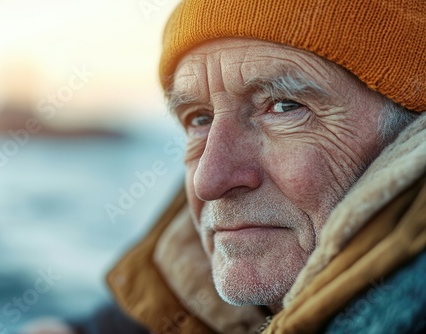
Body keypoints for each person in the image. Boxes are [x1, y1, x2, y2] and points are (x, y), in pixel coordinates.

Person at [105, 0, 426, 333]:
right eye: (200, 118)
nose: (209, 180)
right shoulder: (152, 298)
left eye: (285, 107)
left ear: (413, 131)